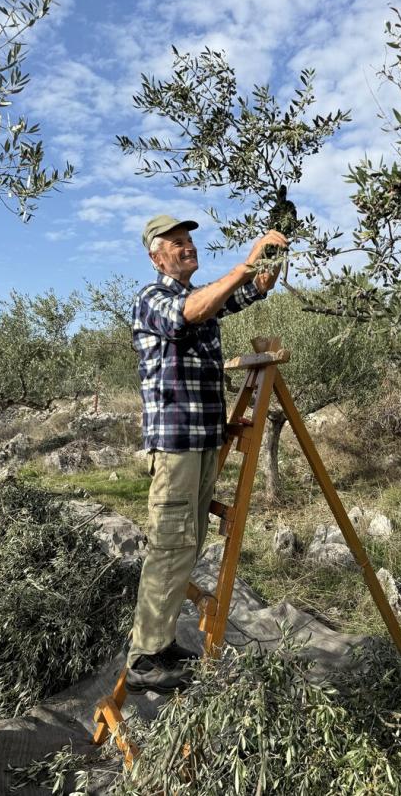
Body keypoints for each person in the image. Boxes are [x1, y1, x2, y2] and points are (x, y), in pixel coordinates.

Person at [126, 214, 286, 695]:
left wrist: (266, 268)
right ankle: (144, 658)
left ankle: (163, 643)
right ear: (157, 257)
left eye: (189, 240)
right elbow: (190, 313)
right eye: (176, 242)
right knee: (169, 546)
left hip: (201, 443)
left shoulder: (200, 298)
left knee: (188, 545)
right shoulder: (153, 298)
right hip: (176, 446)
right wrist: (245, 264)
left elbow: (243, 294)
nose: (187, 246)